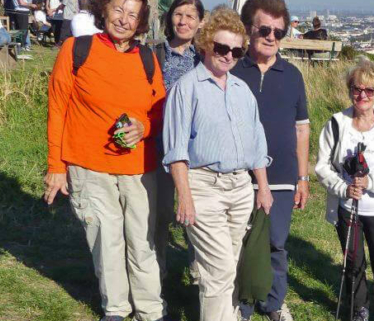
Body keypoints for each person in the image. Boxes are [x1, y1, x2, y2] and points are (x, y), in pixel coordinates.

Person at [43, 0, 167, 319]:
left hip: (140, 168)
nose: (123, 20)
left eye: (132, 14)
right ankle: (115, 308)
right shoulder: (76, 50)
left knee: (142, 242)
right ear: (104, 11)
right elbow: (57, 108)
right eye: (117, 10)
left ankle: (150, 310)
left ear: (141, 21)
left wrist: (145, 127)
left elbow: (161, 111)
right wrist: (56, 167)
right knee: (106, 239)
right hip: (88, 166)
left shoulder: (148, 58)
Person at [161, 6, 272, 321]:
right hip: (203, 186)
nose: (228, 56)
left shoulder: (242, 91)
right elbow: (176, 150)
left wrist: (262, 187)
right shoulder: (187, 89)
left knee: (227, 267)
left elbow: (256, 142)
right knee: (219, 270)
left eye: (236, 51)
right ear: (206, 44)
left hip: (239, 188)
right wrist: (185, 196)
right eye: (222, 48)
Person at [315, 56, 374, 321]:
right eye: (357, 89)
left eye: (370, 90)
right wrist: (343, 188)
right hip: (348, 208)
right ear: (349, 89)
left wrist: (372, 183)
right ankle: (359, 309)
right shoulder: (336, 125)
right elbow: (322, 166)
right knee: (353, 263)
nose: (362, 95)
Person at [232, 0, 309, 319]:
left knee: (276, 243)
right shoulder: (232, 69)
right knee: (239, 244)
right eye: (264, 29)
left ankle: (274, 302)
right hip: (236, 175)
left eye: (279, 31)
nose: (271, 36)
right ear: (249, 28)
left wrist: (303, 178)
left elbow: (302, 129)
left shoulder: (292, 75)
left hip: (282, 176)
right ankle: (242, 302)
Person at [152, 0, 204, 281]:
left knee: (195, 217)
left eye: (190, 16)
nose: (183, 21)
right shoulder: (155, 54)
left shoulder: (206, 57)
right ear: (170, 18)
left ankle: (200, 275)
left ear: (200, 22)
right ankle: (156, 276)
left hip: (195, 152)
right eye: (178, 15)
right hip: (158, 148)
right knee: (159, 217)